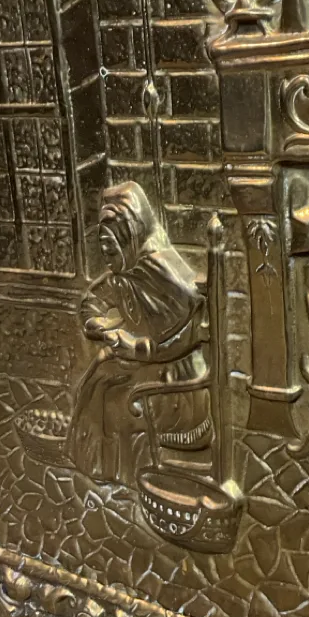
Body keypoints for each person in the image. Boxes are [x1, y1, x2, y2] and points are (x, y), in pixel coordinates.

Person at [67, 182, 210, 483]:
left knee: (114, 401)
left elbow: (195, 330)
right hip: (149, 369)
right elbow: (91, 301)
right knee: (96, 381)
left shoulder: (160, 270)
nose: (106, 255)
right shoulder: (124, 272)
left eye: (110, 247)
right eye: (103, 248)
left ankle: (129, 480)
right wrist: (99, 326)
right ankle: (103, 474)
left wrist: (140, 349)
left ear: (129, 235)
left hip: (179, 381)